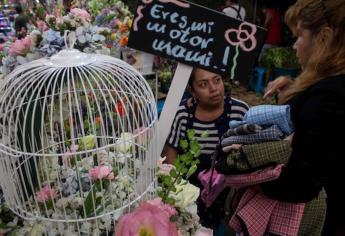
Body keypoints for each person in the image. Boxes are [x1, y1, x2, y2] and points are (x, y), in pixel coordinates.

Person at [263, 0, 345, 235]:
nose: (295, 46)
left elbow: (299, 184)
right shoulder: (328, 90)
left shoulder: (328, 97)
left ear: (324, 37)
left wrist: (251, 181)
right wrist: (295, 89)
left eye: (298, 36)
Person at [164, 68, 249, 232]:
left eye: (217, 80)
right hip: (190, 191)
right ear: (192, 90)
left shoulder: (239, 111)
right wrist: (177, 190)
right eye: (203, 84)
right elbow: (172, 150)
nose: (213, 88)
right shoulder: (183, 114)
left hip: (226, 194)